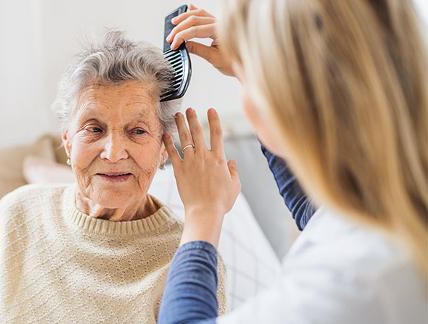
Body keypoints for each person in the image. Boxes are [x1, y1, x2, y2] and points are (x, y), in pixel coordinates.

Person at [0, 31, 225, 324]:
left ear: (163, 148)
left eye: (137, 131)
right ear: (68, 141)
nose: (113, 152)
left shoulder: (190, 258)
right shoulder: (17, 215)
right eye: (94, 129)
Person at [158, 1, 428, 323]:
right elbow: (316, 215)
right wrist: (249, 73)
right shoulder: (391, 200)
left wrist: (203, 213)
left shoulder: (356, 282)